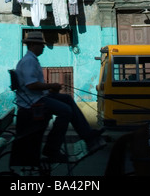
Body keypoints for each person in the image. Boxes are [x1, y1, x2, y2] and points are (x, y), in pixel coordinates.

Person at [15, 30, 106, 162]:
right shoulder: (29, 61)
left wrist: (50, 88)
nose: (44, 47)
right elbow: (31, 85)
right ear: (33, 45)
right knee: (66, 111)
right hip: (33, 102)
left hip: (37, 98)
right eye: (41, 45)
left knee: (67, 99)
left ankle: (88, 135)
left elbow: (33, 85)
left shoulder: (31, 60)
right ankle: (52, 149)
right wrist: (51, 85)